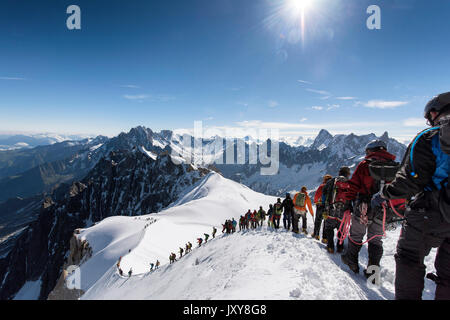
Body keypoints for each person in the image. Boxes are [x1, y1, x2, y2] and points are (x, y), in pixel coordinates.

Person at [381, 92, 450, 300]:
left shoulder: (429, 138)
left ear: (435, 112)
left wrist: (388, 193)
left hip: (429, 214)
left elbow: (411, 179)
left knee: (409, 258)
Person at [341, 139, 397, 276]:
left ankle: (352, 261)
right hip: (383, 209)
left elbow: (353, 186)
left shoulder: (364, 165)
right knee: (375, 240)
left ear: (370, 151)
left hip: (363, 207)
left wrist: (348, 203)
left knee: (356, 235)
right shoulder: (394, 166)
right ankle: (373, 273)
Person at [322, 167, 351, 254]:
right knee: (341, 229)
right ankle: (340, 247)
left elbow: (324, 193)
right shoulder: (350, 183)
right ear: (348, 174)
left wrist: (325, 206)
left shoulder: (332, 181)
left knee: (329, 228)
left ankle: (330, 246)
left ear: (339, 172)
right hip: (343, 211)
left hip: (331, 209)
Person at [312, 175, 333, 241]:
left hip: (320, 205)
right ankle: (325, 238)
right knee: (326, 222)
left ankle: (316, 234)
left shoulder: (322, 186)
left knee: (318, 220)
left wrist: (316, 202)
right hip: (328, 207)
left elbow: (316, 196)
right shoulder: (332, 187)